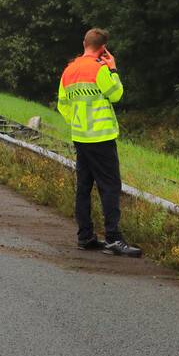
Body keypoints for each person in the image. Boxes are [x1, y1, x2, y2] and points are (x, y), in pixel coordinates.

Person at [57, 28, 141, 257]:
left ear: (84, 43)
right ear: (103, 49)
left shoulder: (69, 70)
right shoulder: (100, 68)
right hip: (101, 137)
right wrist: (113, 69)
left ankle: (85, 237)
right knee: (110, 186)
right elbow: (116, 94)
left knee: (83, 187)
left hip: (80, 137)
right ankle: (113, 239)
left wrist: (77, 121)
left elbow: (62, 104)